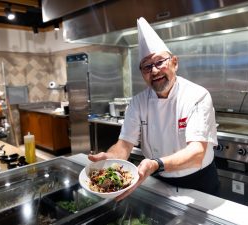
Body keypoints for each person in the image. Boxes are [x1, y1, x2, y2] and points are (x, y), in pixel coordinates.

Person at [89, 17, 219, 201]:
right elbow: (124, 144)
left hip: (198, 184)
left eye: (159, 62)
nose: (154, 71)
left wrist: (156, 164)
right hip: (159, 180)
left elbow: (197, 153)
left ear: (174, 62)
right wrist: (110, 158)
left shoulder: (197, 95)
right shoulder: (138, 103)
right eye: (147, 66)